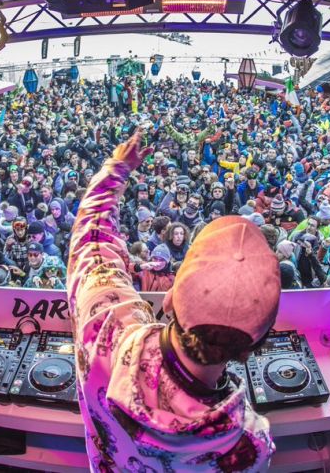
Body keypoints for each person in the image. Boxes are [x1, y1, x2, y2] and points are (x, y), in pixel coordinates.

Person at [67, 133, 280, 471]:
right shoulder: (249, 445)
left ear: (168, 300)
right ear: (252, 349)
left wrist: (117, 169)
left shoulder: (105, 325)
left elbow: (91, 241)